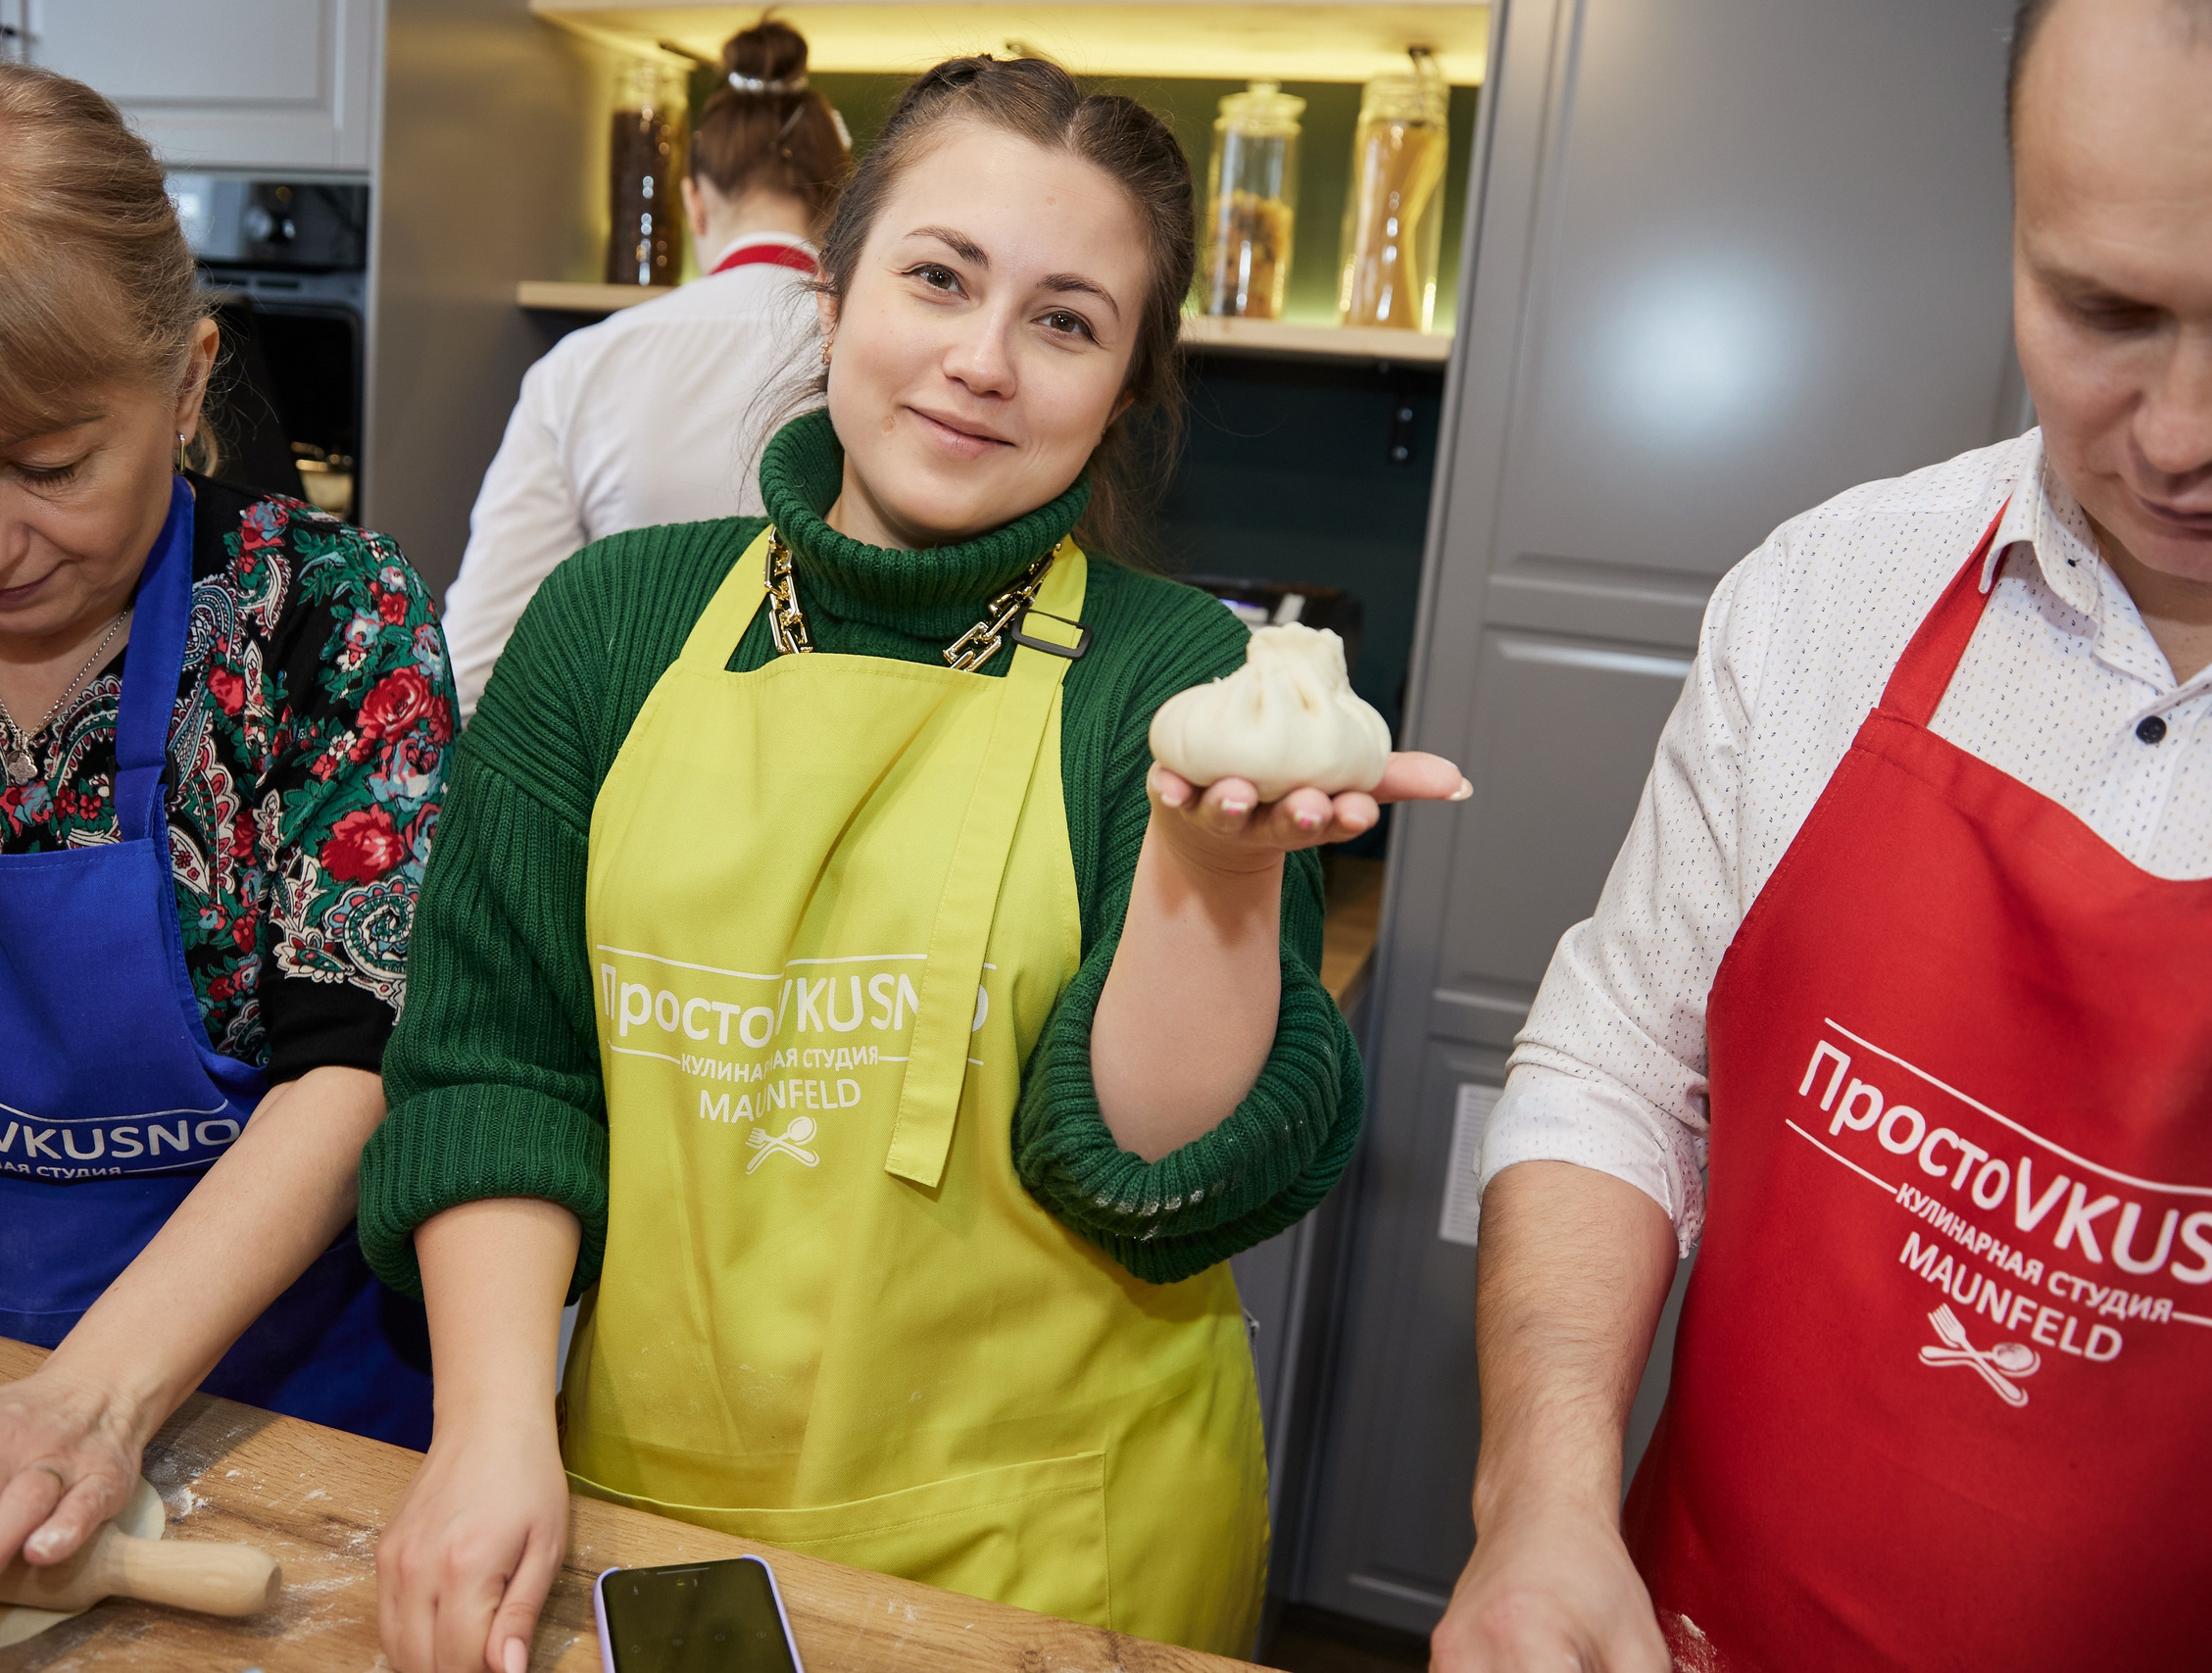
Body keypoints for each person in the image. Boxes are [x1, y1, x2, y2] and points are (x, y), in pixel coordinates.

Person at [364, 54, 1469, 1673]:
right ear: (831, 297)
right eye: (940, 278)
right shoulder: (610, 624)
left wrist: (1215, 876)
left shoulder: (1176, 681)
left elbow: (1154, 1183)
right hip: (651, 1512)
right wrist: (486, 1424)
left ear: (1125, 389)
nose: (983, 361)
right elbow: (494, 1070)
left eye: (1067, 321)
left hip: (1059, 1554)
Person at [1433, 1, 2212, 1668]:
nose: (2181, 438)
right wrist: (1542, 1500)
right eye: (2106, 310)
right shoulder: (1829, 595)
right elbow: (1616, 1069)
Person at [0, 51, 455, 1629]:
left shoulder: (325, 624)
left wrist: (88, 1398)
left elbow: (357, 1064)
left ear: (185, 383)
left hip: (284, 1413)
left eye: (48, 465)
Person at [441, 19, 853, 715]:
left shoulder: (582, 367)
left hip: (617, 751)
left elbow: (474, 672)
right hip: (831, 747)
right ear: (842, 209)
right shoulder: (882, 367)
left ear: (692, 201)